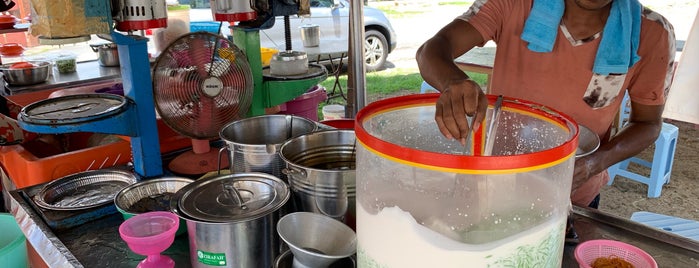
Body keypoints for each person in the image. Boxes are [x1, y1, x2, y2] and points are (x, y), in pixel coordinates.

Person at [416, 0, 676, 208]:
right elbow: (432, 49)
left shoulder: (651, 32)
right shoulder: (513, 5)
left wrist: (593, 164)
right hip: (491, 180)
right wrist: (453, 81)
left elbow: (648, 123)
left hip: (572, 194)